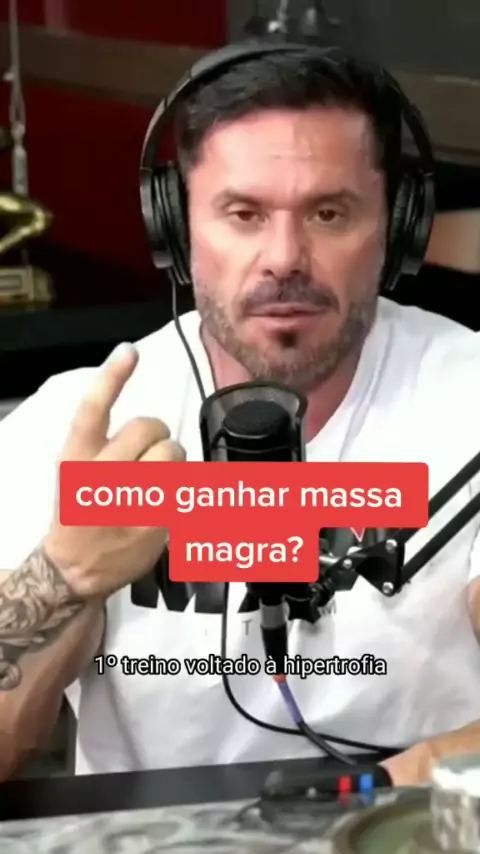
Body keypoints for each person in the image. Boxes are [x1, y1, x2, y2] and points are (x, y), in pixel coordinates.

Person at [1, 45, 480, 787]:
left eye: (329, 212)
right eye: (244, 213)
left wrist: (373, 797)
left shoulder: (467, 402)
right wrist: (66, 572)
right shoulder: (77, 426)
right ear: (175, 227)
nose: (284, 258)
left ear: (397, 225)